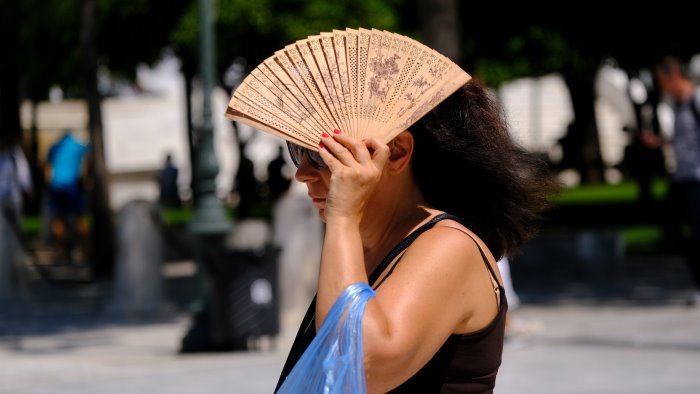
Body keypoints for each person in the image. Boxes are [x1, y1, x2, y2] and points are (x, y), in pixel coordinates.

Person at [272, 79, 555, 393]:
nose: (302, 173)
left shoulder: (450, 246)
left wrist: (342, 217)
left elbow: (357, 366)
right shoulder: (366, 248)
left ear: (396, 152)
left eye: (322, 153)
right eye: (299, 150)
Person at [642, 55, 700, 307]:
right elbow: (685, 140)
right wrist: (661, 142)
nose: (660, 85)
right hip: (682, 177)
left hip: (698, 177)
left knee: (698, 234)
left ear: (673, 75)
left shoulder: (697, 99)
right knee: (670, 229)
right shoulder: (677, 104)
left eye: (661, 80)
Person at [46, 130, 90, 264]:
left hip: (57, 186)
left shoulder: (55, 146)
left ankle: (62, 252)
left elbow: (47, 166)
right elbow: (89, 156)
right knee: (79, 218)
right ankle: (85, 250)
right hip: (72, 185)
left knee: (59, 219)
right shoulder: (77, 145)